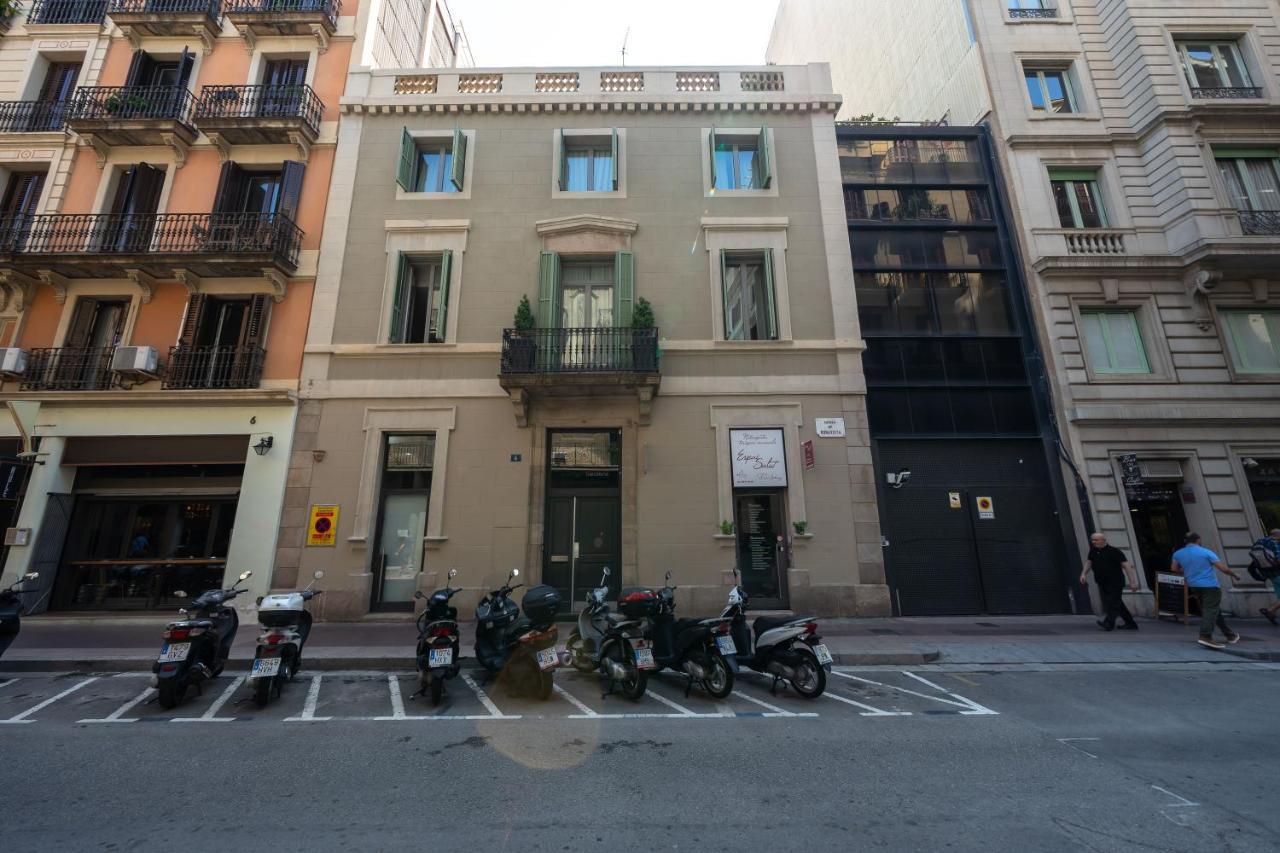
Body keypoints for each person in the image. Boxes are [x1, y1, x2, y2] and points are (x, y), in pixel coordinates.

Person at [1170, 532, 1241, 651]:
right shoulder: (1205, 552)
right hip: (1210, 585)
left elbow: (1174, 569)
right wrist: (1235, 575)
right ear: (1198, 540)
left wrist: (1188, 571)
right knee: (1210, 609)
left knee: (1213, 610)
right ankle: (1205, 635)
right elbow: (1222, 568)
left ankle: (1230, 635)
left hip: (1194, 585)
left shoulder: (1178, 553)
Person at [1079, 532, 1139, 631]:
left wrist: (1132, 581)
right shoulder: (1093, 551)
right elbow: (1089, 562)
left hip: (1115, 582)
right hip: (1102, 582)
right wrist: (1083, 573)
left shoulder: (1114, 551)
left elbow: (1127, 566)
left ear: (1103, 540)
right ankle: (1130, 623)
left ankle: (1108, 623)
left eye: (1096, 540)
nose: (1093, 542)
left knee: (1112, 603)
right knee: (1117, 603)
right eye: (1092, 540)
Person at [1252, 528, 1280, 625]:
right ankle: (1270, 610)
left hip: (1266, 572)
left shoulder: (1260, 542)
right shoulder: (1274, 543)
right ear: (1277, 535)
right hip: (1277, 571)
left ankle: (1271, 612)